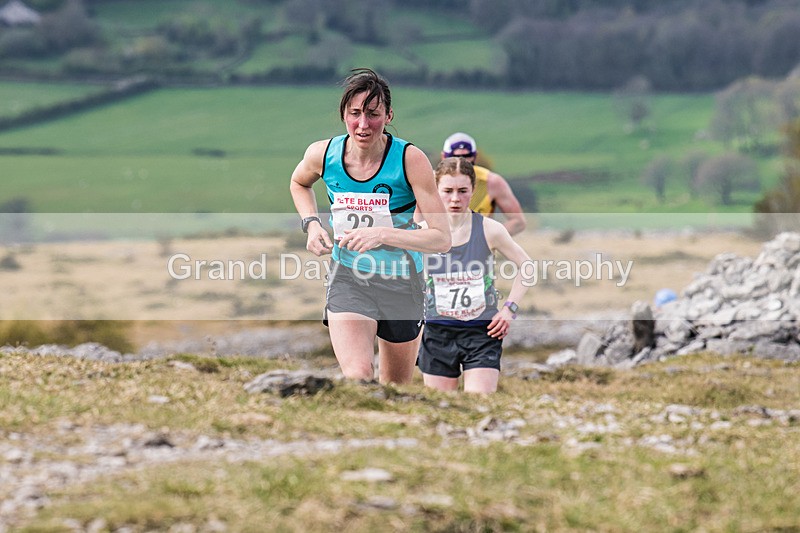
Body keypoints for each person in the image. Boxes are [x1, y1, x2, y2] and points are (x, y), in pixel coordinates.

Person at [290, 68, 451, 385]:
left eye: (373, 114)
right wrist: (312, 224)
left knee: (395, 390)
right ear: (344, 115)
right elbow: (299, 183)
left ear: (389, 115)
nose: (363, 125)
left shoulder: (409, 159)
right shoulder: (323, 154)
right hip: (349, 276)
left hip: (403, 283)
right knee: (359, 378)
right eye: (355, 114)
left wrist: (381, 234)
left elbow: (442, 239)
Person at [418, 157, 532, 394]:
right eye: (447, 191)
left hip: (482, 332)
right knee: (441, 409)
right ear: (436, 191)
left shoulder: (490, 229)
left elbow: (527, 266)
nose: (455, 199)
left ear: (473, 191)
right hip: (437, 331)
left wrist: (509, 309)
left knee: (479, 403)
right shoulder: (423, 230)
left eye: (463, 191)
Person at [441, 132, 526, 236]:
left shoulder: (492, 181)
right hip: (442, 247)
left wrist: (486, 239)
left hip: (478, 250)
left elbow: (518, 221)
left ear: (475, 156)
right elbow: (419, 221)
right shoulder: (431, 180)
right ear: (443, 157)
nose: (461, 161)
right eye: (455, 156)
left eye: (467, 156)